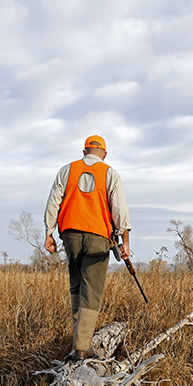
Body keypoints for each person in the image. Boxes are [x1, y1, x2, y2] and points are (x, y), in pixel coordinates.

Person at [44, 134, 131, 360]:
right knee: (91, 291)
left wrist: (48, 233)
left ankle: (78, 343)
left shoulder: (67, 170)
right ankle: (82, 349)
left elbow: (53, 201)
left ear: (84, 152)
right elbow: (119, 209)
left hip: (70, 237)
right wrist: (126, 242)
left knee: (76, 286)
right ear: (104, 154)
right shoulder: (110, 172)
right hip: (98, 238)